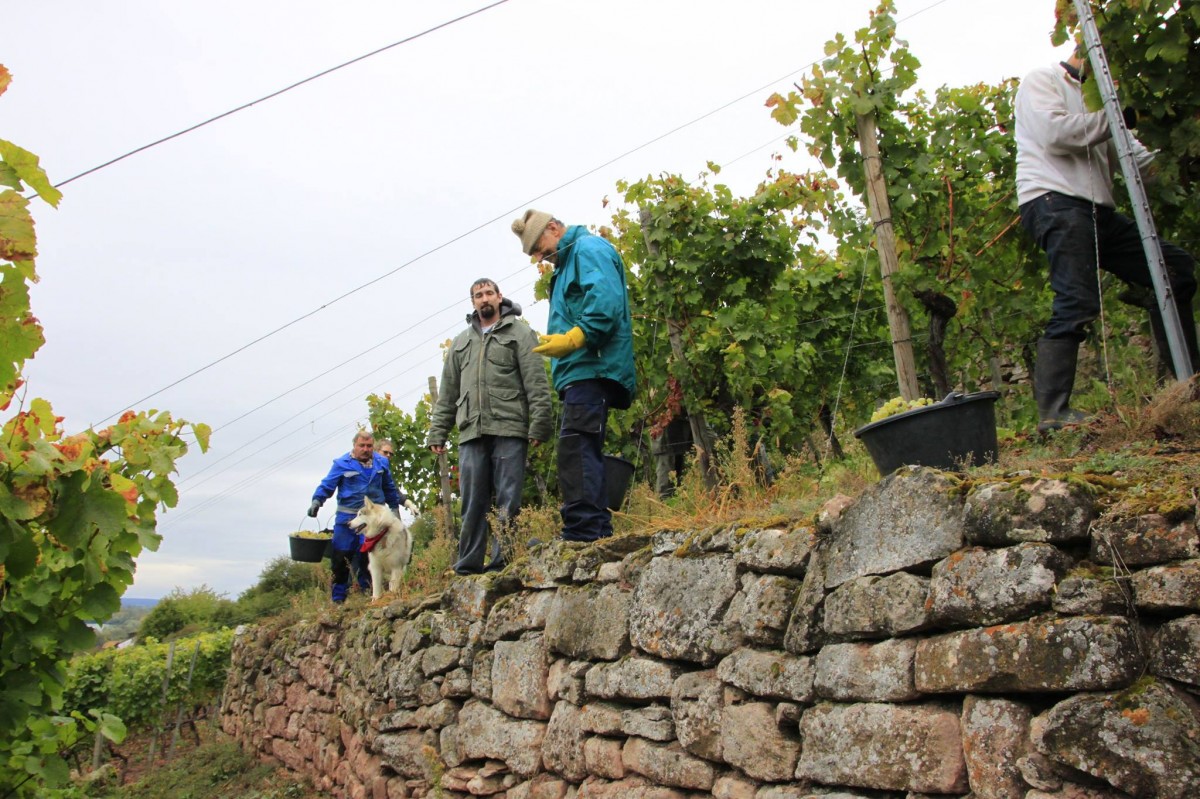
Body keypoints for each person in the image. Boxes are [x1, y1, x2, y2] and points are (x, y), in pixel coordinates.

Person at [1015, 47, 1199, 432]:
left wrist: (1186, 156)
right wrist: (1116, 116)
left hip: (1097, 211)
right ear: (1089, 50)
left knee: (1174, 268)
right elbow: (1055, 134)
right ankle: (1054, 413)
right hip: (1054, 202)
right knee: (1076, 299)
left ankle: (1191, 386)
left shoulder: (1102, 104)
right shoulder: (1043, 80)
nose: (1117, 77)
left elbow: (1141, 162)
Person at [511, 210, 636, 541]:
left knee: (576, 448)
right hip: (582, 368)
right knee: (583, 447)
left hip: (590, 365)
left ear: (553, 228)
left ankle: (583, 532)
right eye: (533, 254)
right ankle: (596, 529)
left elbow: (605, 303)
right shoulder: (568, 263)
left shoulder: (587, 249)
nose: (539, 258)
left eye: (539, 248)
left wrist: (572, 340)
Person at [426, 278, 553, 574]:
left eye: (488, 293)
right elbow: (448, 393)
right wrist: (438, 431)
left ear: (499, 297)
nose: (484, 299)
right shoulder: (461, 342)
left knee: (508, 499)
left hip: (510, 427)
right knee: (472, 501)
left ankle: (501, 563)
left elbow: (536, 382)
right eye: (478, 295)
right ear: (473, 302)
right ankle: (468, 566)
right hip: (471, 430)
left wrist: (539, 424)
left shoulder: (520, 333)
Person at [308, 431, 414, 602]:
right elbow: (327, 485)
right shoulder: (342, 464)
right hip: (347, 517)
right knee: (341, 557)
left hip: (373, 520)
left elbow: (389, 487)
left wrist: (394, 509)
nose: (365, 449)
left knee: (369, 557)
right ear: (354, 446)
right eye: (362, 446)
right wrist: (317, 501)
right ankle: (338, 598)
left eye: (369, 446)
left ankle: (369, 593)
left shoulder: (381, 463)